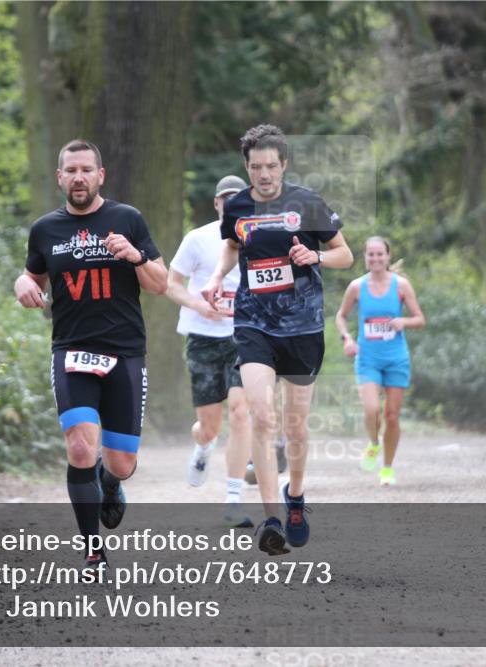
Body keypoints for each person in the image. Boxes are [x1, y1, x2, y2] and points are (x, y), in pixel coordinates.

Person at [201, 124, 353, 555]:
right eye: (255, 167)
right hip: (254, 324)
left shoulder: (307, 202)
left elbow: (345, 253)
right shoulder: (239, 207)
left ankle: (296, 497)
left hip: (302, 329)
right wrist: (216, 277)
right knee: (261, 417)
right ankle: (271, 519)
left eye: (271, 166)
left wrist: (316, 255)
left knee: (296, 426)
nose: (264, 174)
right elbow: (232, 245)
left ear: (284, 164)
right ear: (246, 168)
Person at [14, 139, 167, 567]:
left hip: (125, 352)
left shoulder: (127, 219)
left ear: (101, 176)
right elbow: (31, 278)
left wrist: (136, 256)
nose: (78, 177)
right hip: (71, 351)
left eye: (86, 169)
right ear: (60, 177)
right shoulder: (45, 229)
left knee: (121, 463)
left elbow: (159, 283)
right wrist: (22, 285)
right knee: (80, 447)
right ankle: (92, 549)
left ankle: (110, 482)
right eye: (71, 170)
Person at [165, 174, 254, 527]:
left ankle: (233, 500)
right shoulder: (197, 239)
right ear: (217, 203)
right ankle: (203, 447)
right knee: (210, 426)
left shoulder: (256, 238)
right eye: (225, 199)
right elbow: (171, 285)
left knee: (240, 412)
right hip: (202, 337)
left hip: (243, 336)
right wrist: (199, 306)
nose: (231, 204)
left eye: (238, 198)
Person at [335, 237, 425, 486]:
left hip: (396, 358)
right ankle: (374, 443)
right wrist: (347, 339)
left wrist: (403, 322)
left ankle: (387, 467)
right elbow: (341, 316)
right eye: (370, 255)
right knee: (372, 409)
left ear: (387, 256)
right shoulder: (356, 286)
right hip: (368, 358)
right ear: (365, 257)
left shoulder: (401, 286)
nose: (375, 259)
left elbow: (419, 318)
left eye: (379, 254)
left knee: (392, 415)